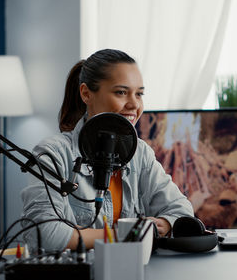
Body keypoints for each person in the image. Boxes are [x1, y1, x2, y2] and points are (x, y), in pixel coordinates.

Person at [20, 49, 194, 251]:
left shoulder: (140, 153)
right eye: (121, 92)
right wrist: (131, 233)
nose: (134, 104)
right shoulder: (53, 154)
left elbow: (182, 211)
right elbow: (44, 234)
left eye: (139, 94)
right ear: (86, 94)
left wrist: (163, 224)